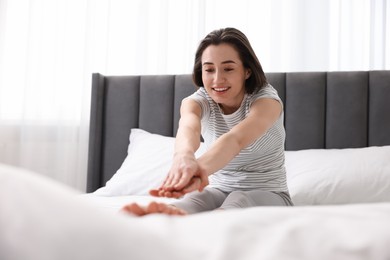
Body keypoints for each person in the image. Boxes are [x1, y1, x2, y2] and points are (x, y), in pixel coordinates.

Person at [122, 27, 293, 216]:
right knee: (195, 199)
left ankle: (212, 223)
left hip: (270, 193)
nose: (217, 79)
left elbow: (235, 140)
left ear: (247, 71)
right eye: (209, 69)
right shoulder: (195, 102)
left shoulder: (266, 101)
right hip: (219, 189)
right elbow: (189, 127)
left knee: (239, 200)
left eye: (228, 68)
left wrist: (197, 170)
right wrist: (183, 156)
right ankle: (166, 215)